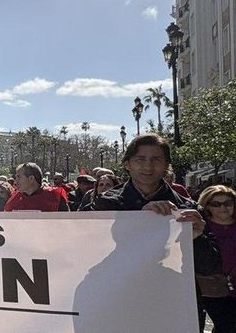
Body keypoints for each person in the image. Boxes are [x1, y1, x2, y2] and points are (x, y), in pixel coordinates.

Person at [81, 133, 219, 323]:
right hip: (120, 305)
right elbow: (89, 255)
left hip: (174, 306)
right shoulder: (104, 206)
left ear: (166, 165)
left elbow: (210, 267)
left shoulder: (190, 209)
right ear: (127, 164)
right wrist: (139, 219)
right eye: (140, 159)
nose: (148, 166)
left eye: (156, 159)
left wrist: (197, 238)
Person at [196, 185, 236, 332]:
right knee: (226, 325)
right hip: (213, 287)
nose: (223, 207)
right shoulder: (201, 228)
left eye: (228, 203)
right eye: (216, 204)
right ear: (207, 206)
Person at [4, 163, 69, 212]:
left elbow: (67, 222)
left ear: (31, 178)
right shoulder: (14, 198)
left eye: (18, 177)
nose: (15, 182)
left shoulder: (55, 196)